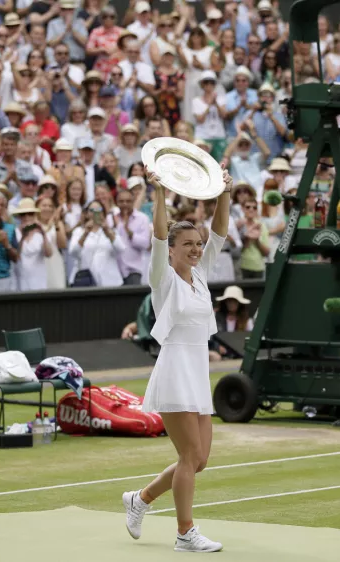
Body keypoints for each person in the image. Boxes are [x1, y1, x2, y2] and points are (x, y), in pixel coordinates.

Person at [122, 164, 233, 553]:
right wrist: (159, 193)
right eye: (187, 245)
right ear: (171, 250)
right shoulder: (162, 278)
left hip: (197, 373)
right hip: (173, 371)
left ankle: (140, 499)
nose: (195, 249)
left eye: (197, 245)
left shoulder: (200, 275)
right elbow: (156, 236)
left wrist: (223, 192)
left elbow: (219, 231)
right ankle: (185, 533)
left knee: (199, 460)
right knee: (189, 456)